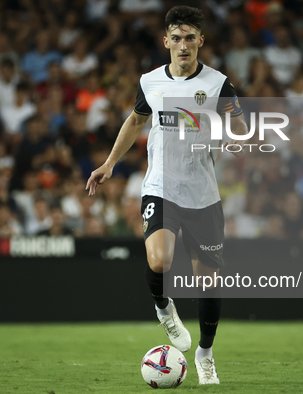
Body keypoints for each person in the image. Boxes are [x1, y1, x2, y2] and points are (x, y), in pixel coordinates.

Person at [86, 6, 248, 385]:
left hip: (203, 194)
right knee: (160, 260)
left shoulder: (220, 84)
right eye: (176, 38)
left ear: (200, 42)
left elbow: (240, 127)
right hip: (160, 187)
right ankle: (163, 307)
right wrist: (110, 163)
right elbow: (135, 120)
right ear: (166, 42)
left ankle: (205, 354)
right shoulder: (150, 82)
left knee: (207, 282)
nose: (183, 45)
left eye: (190, 38)